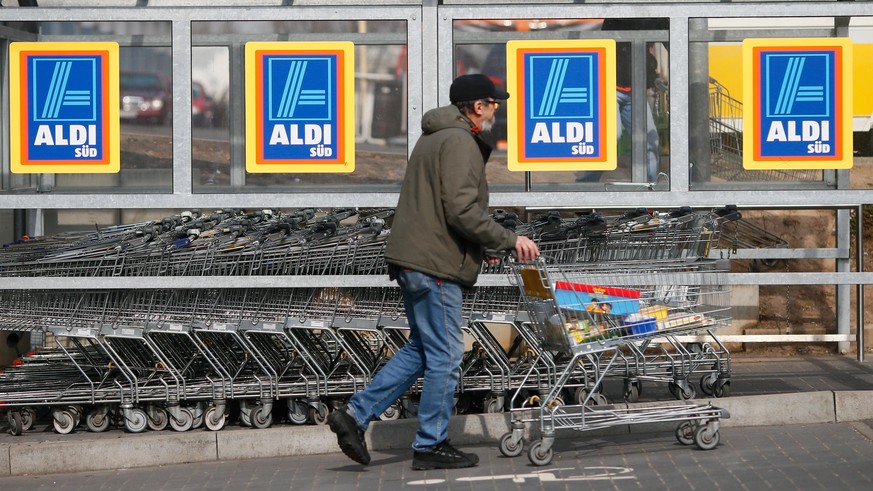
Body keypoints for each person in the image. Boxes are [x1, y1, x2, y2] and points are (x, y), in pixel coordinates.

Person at [328, 73, 540, 470]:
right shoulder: (460, 141)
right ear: (478, 107)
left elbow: (443, 209)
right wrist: (508, 240)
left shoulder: (435, 137)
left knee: (423, 349)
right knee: (445, 355)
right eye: (493, 104)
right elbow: (461, 210)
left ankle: (354, 415)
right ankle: (430, 444)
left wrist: (479, 245)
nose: (496, 111)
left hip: (417, 260)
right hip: (435, 265)